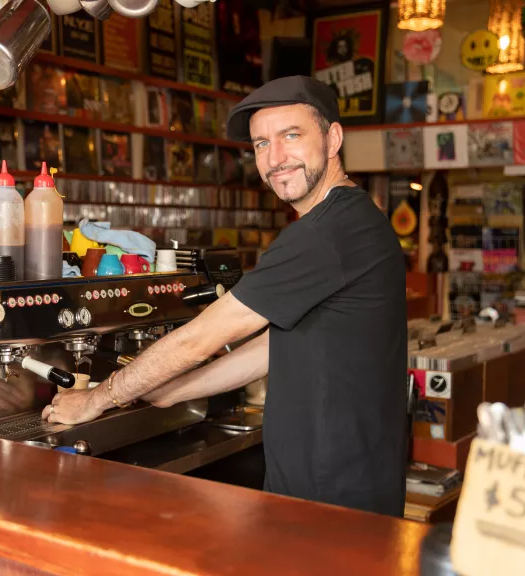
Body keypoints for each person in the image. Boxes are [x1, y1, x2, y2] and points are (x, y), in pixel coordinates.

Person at [43, 76, 408, 517]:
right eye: (260, 144)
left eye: (291, 136)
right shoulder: (354, 221)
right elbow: (277, 347)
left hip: (333, 501)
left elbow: (201, 338)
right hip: (340, 486)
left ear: (333, 138)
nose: (275, 159)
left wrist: (97, 398)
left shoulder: (327, 234)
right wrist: (176, 391)